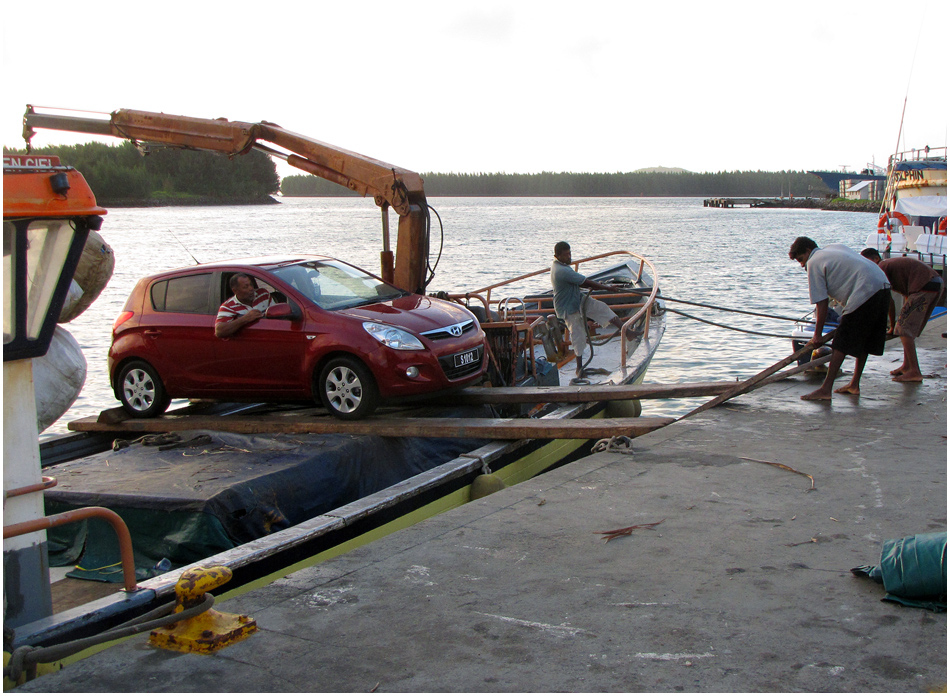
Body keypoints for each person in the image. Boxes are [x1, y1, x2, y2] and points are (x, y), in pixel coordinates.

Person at [788, 237, 889, 400]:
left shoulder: (814, 262)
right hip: (883, 283)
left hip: (865, 290)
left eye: (801, 259)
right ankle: (854, 384)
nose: (802, 265)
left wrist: (817, 336)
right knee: (865, 339)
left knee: (840, 342)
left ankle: (826, 389)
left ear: (808, 251)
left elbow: (822, 303)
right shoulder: (833, 248)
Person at [550, 241, 634, 379]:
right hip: (568, 307)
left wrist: (600, 286)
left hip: (577, 298)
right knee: (578, 335)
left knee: (602, 308)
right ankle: (579, 368)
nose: (569, 256)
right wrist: (608, 288)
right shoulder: (561, 270)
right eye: (565, 255)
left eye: (570, 253)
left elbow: (580, 283)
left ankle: (628, 332)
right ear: (557, 256)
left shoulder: (562, 266)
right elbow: (585, 282)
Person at [860, 248, 944, 382]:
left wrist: (894, 326)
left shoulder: (881, 267)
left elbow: (888, 301)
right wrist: (895, 325)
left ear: (876, 259)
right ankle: (907, 366)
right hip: (935, 283)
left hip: (925, 285)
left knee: (903, 330)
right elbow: (905, 295)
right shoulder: (892, 267)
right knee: (907, 329)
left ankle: (915, 371)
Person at [215, 273, 272, 339]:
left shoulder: (263, 294)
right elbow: (219, 331)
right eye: (245, 287)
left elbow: (277, 314)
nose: (251, 288)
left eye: (251, 284)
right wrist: (245, 318)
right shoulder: (228, 307)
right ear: (235, 291)